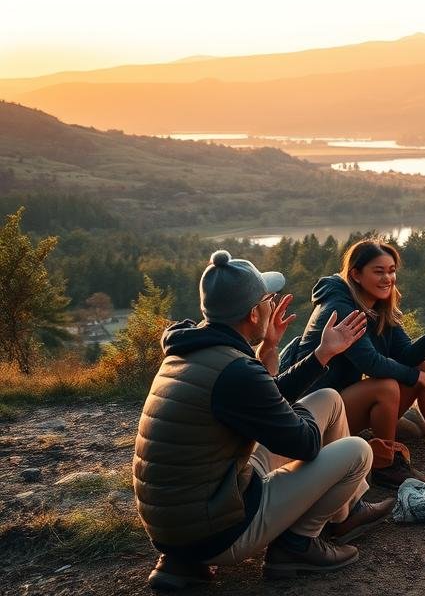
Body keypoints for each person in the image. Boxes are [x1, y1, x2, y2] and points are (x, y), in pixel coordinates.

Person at [135, 250, 390, 590]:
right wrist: (288, 404)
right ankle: (296, 545)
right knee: (357, 451)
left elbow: (263, 397)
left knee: (328, 399)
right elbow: (305, 443)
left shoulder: (190, 352)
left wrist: (320, 354)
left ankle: (348, 510)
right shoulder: (235, 371)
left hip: (182, 518)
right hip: (215, 530)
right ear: (255, 313)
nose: (272, 306)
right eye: (269, 300)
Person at [280, 239, 425, 486]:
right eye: (378, 271)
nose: (387, 278)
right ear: (356, 274)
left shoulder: (378, 306)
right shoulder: (340, 307)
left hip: (342, 403)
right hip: (315, 415)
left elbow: (406, 355)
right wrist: (417, 379)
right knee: (387, 386)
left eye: (391, 271)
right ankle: (386, 465)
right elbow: (371, 363)